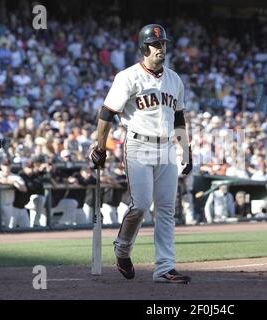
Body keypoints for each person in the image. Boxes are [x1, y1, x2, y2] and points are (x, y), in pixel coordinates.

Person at [90, 24, 193, 284]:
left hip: (167, 146)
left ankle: (165, 269)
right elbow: (106, 113)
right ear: (143, 48)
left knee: (167, 209)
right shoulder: (128, 77)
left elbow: (179, 117)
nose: (161, 48)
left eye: (163, 44)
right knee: (140, 205)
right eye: (155, 44)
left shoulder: (174, 79)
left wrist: (186, 150)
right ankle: (122, 249)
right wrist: (100, 147)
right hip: (138, 145)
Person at [0, 158, 28, 228]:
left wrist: (14, 182)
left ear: (11, 166)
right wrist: (11, 182)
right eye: (5, 165)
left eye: (8, 165)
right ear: (1, 166)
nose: (6, 167)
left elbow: (24, 189)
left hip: (9, 205)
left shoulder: (15, 177)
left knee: (7, 227)